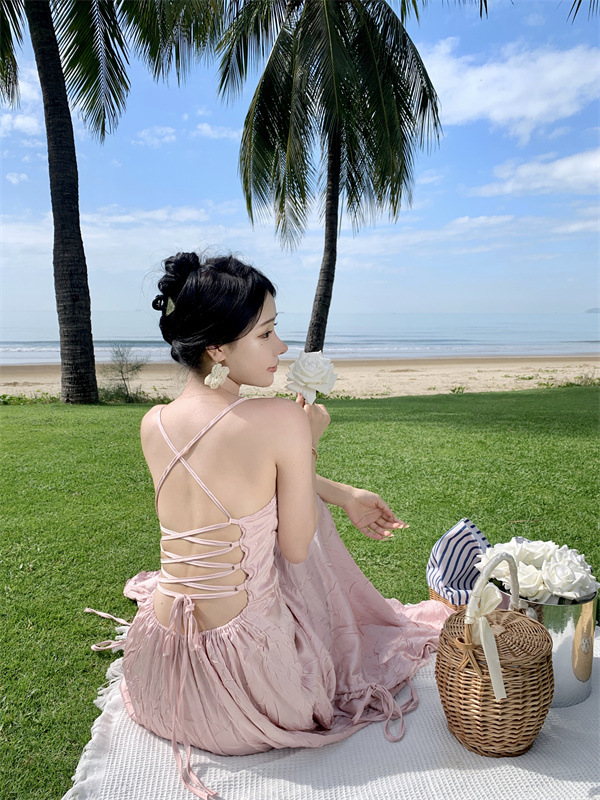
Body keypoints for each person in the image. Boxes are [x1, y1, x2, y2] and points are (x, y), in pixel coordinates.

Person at [90, 252, 453, 799]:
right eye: (266, 333)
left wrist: (342, 492)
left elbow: (241, 484)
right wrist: (307, 439)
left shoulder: (153, 423)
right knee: (305, 554)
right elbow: (296, 547)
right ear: (218, 348)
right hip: (249, 687)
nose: (281, 347)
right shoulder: (280, 419)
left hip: (161, 673)